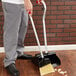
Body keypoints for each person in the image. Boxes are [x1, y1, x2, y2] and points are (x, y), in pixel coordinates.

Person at [1, 0, 33, 76]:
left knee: (23, 27)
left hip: (23, 3)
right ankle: (9, 61)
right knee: (11, 31)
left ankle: (18, 52)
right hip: (12, 2)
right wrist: (27, 1)